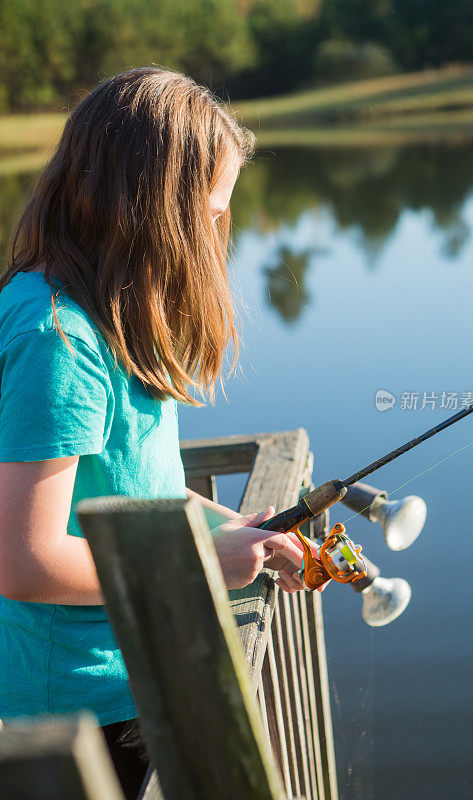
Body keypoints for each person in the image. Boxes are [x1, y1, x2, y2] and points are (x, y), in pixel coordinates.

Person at [0, 68, 317, 800]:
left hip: (127, 677)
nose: (216, 232)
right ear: (149, 206)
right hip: (68, 718)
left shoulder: (107, 316)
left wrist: (238, 530)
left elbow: (137, 491)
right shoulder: (58, 339)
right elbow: (23, 558)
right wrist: (205, 562)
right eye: (209, 212)